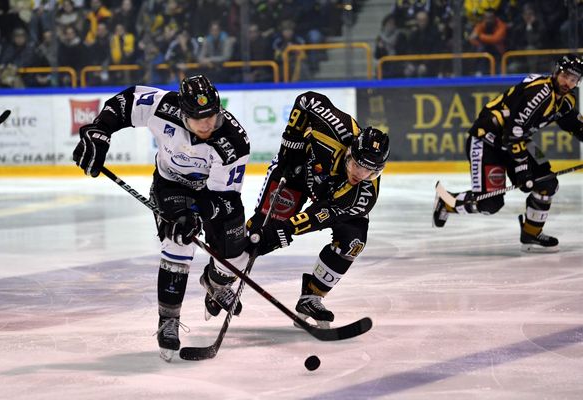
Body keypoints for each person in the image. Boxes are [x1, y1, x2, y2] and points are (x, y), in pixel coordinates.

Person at [72, 75, 251, 362]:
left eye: (212, 116)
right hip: (172, 187)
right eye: (198, 118)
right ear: (182, 112)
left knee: (236, 252)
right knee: (178, 242)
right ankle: (168, 320)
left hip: (213, 195)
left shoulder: (233, 142)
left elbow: (225, 199)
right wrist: (99, 132)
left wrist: (197, 214)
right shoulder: (162, 106)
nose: (207, 124)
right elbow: (124, 102)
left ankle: (217, 282)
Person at [246, 91, 390, 328]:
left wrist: (287, 229)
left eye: (370, 172)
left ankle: (312, 296)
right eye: (356, 164)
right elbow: (307, 99)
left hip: (330, 200)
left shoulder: (364, 194)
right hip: (297, 172)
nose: (360, 174)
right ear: (350, 151)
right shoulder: (336, 127)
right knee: (260, 231)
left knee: (353, 242)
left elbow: (320, 215)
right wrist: (290, 145)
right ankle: (221, 276)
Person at [433, 54, 583, 253]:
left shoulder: (566, 99)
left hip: (517, 142)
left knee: (547, 182)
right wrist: (522, 170)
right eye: (566, 76)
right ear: (556, 72)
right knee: (489, 203)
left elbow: (575, 125)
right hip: (487, 141)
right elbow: (514, 131)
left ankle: (531, 233)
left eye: (574, 79)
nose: (568, 82)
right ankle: (447, 201)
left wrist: (527, 172)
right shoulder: (540, 92)